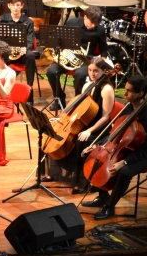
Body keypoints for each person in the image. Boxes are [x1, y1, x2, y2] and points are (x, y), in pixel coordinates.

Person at [83, 76, 147, 220]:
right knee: (96, 158)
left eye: (129, 91)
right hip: (127, 150)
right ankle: (103, 196)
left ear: (140, 94)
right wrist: (97, 145)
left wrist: (124, 162)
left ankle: (109, 207)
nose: (124, 94)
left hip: (146, 155)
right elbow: (114, 134)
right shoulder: (128, 108)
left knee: (124, 172)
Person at [47, 57, 116, 193]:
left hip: (99, 128)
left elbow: (105, 117)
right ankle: (55, 172)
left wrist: (89, 131)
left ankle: (83, 180)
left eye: (96, 71)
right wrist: (60, 118)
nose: (92, 74)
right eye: (90, 70)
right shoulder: (87, 85)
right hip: (85, 123)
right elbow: (77, 109)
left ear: (104, 71)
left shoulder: (107, 89)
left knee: (81, 140)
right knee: (54, 134)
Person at [46, 5, 108, 110]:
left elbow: (104, 49)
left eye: (95, 24)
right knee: (51, 71)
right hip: (68, 57)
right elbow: (60, 41)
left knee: (80, 75)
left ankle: (78, 101)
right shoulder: (72, 23)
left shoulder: (100, 30)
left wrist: (103, 61)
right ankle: (59, 100)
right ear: (85, 17)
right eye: (91, 22)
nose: (93, 26)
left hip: (85, 60)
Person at [0, 0, 38, 104]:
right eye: (12, 5)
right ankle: (1, 92)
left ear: (22, 6)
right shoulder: (2, 20)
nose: (15, 8)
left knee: (30, 55)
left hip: (21, 53)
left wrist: (25, 48)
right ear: (8, 6)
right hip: (8, 54)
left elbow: (30, 39)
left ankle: (29, 92)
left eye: (17, 5)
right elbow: (0, 40)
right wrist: (8, 50)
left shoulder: (28, 22)